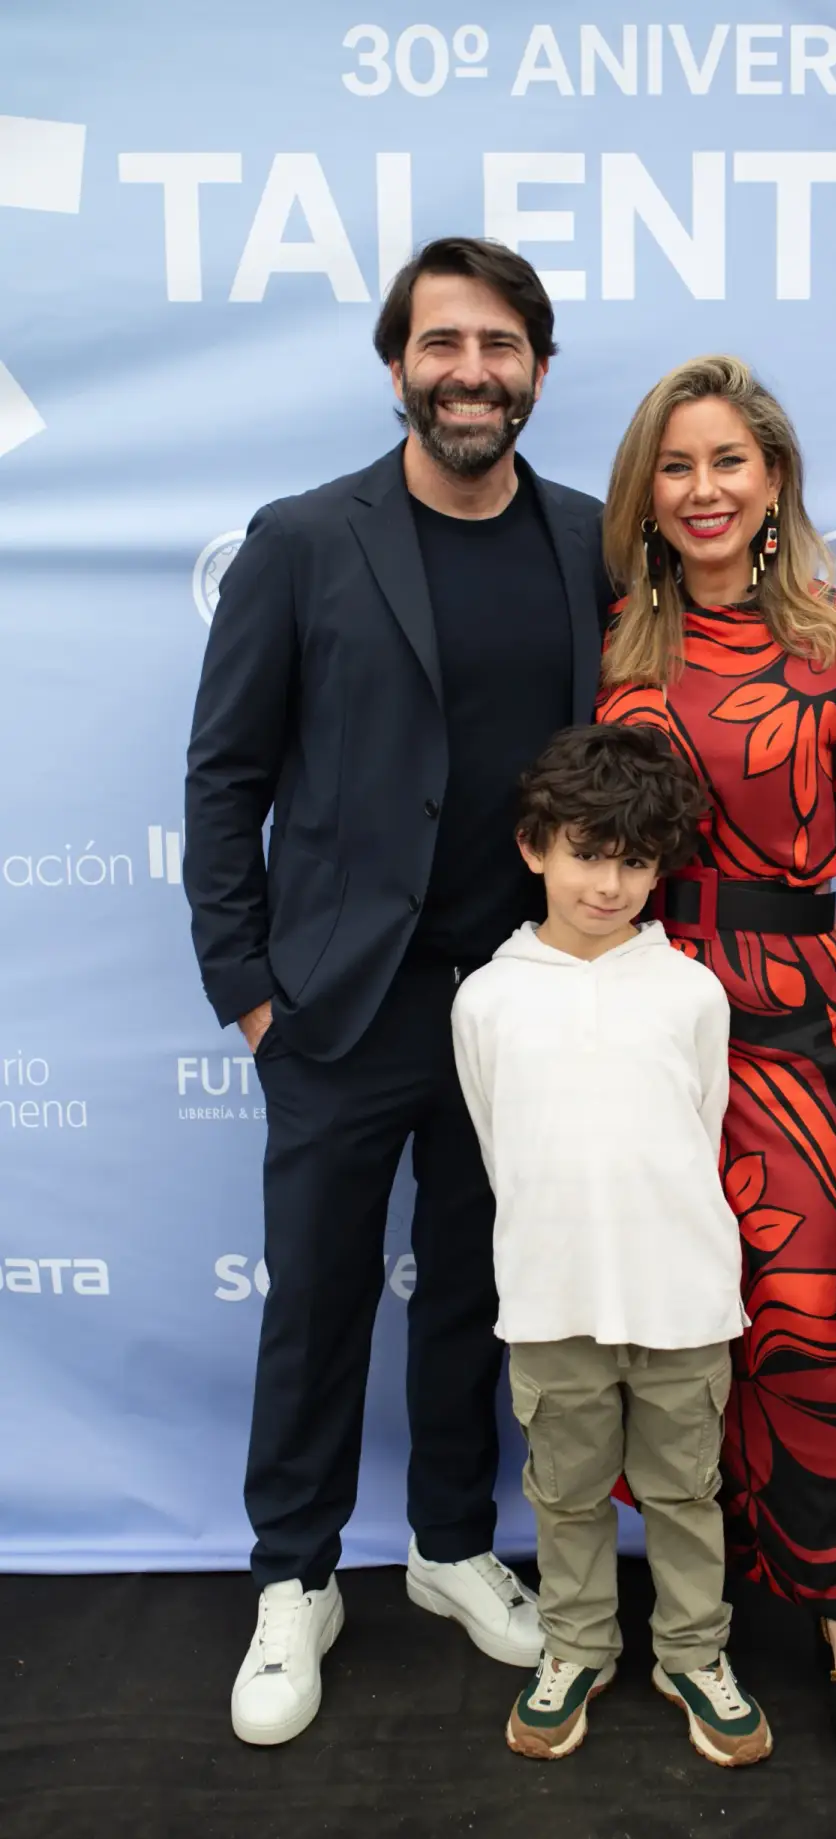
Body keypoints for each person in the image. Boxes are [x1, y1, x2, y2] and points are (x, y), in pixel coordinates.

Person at [184, 237, 611, 1746]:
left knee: (479, 1299)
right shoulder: (304, 540)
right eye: (442, 344)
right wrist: (249, 989)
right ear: (397, 367)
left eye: (498, 346)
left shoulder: (587, 541)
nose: (469, 372)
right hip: (340, 1007)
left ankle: (448, 1546)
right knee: (315, 1301)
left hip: (521, 1006)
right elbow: (226, 776)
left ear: (537, 371)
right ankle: (293, 1578)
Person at [596, 354, 836, 1762]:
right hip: (628, 1005)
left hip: (787, 1008)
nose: (702, 490)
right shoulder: (610, 641)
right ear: (645, 492)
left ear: (775, 476)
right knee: (668, 1321)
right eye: (674, 467)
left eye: (727, 462)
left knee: (797, 1310)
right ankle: (701, 1603)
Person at [451, 724, 773, 1768]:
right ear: (533, 847)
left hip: (682, 1297)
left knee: (685, 1492)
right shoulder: (487, 997)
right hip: (552, 1298)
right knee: (565, 1493)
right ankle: (576, 1648)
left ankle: (694, 1653)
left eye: (635, 862)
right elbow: (500, 1145)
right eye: (587, 854)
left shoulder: (688, 990)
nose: (610, 884)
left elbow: (699, 1126)